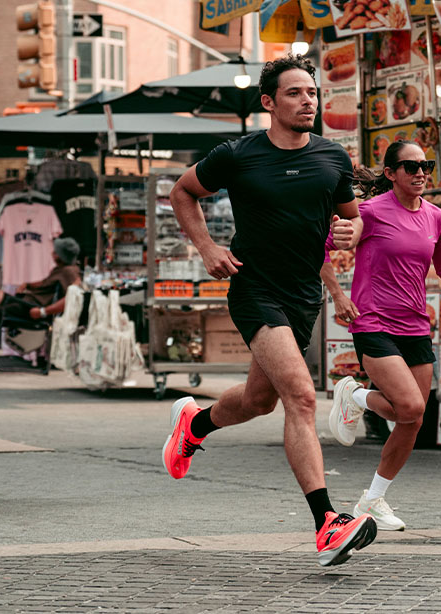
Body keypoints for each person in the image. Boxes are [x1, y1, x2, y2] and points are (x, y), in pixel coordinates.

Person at [161, 55, 376, 568]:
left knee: (261, 400)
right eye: (296, 93)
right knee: (301, 397)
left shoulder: (332, 158)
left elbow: (353, 217)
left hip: (304, 295)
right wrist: (208, 249)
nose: (308, 101)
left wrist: (353, 231)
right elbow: (182, 192)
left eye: (313, 93)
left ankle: (195, 424)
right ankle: (327, 523)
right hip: (254, 289)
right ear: (268, 102)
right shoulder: (237, 154)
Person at [322, 141, 441, 531]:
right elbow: (322, 247)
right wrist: (338, 294)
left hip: (415, 325)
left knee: (411, 418)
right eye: (410, 166)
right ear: (390, 173)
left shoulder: (437, 217)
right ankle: (354, 394)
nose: (420, 172)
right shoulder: (369, 212)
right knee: (411, 407)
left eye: (425, 165)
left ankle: (373, 499)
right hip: (373, 321)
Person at [0, 237, 82, 374]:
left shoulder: (70, 272)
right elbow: (44, 285)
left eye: (55, 252)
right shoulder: (60, 269)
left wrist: (44, 311)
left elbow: (71, 298)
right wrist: (28, 284)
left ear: (60, 255)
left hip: (31, 308)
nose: (52, 253)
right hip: (27, 304)